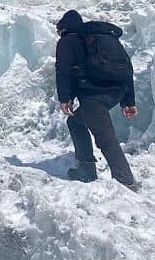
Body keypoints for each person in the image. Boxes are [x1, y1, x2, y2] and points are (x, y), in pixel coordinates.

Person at [55, 10, 139, 191]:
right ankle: (86, 167)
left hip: (94, 95)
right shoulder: (102, 38)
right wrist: (128, 100)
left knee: (105, 138)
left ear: (63, 28)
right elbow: (126, 67)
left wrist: (65, 98)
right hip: (116, 91)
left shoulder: (68, 40)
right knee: (76, 122)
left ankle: (126, 182)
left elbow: (63, 71)